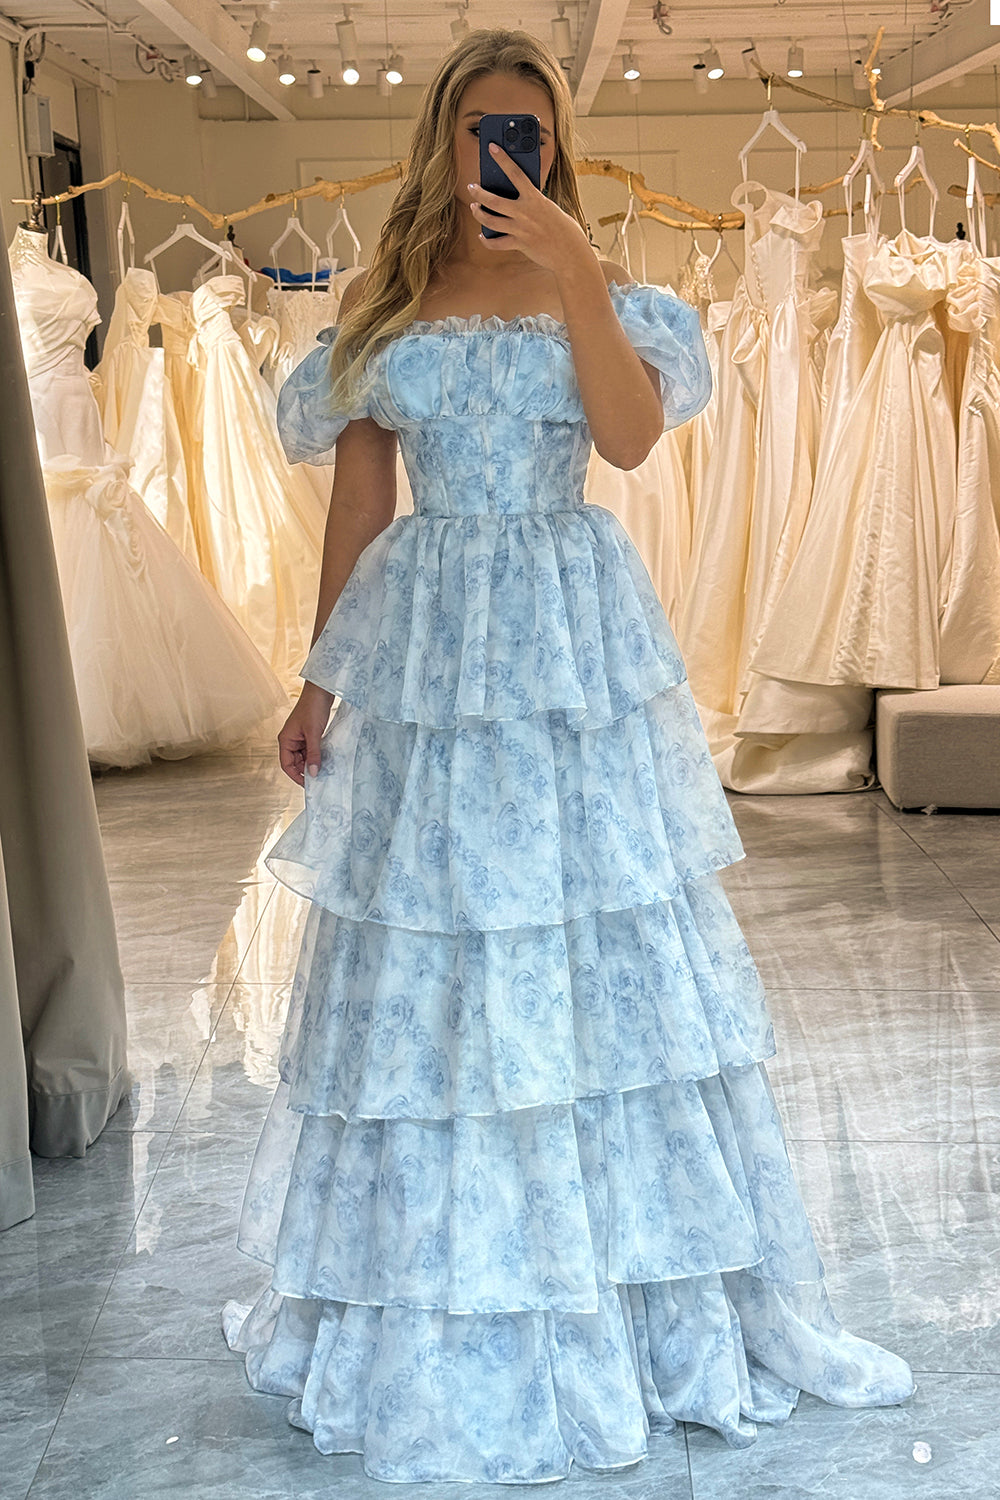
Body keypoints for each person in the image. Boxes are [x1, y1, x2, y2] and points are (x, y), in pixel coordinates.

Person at [222, 28, 914, 1484]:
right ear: (442, 139)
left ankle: (616, 1269)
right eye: (483, 128)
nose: (505, 154)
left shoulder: (601, 286)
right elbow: (359, 506)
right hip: (428, 646)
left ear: (557, 149)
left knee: (593, 939)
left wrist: (575, 268)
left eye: (528, 132)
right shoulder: (384, 304)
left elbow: (632, 439)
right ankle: (442, 1267)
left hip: (566, 642)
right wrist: (319, 682)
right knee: (435, 949)